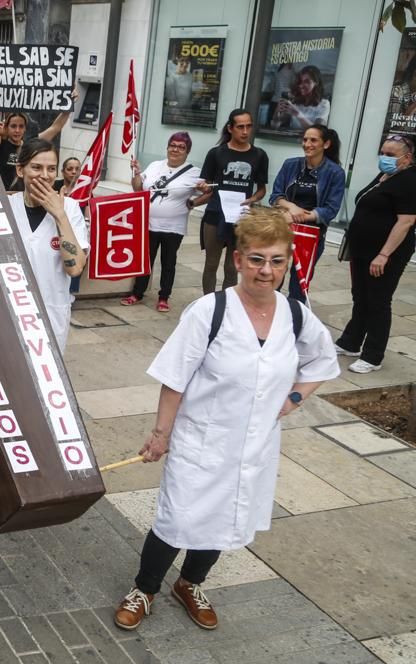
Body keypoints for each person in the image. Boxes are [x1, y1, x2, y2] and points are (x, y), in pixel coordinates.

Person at [113, 207, 338, 632]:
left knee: (226, 517)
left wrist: (293, 397)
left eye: (276, 260)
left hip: (254, 445)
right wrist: (161, 433)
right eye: (256, 259)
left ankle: (191, 583)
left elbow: (322, 362)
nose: (266, 271)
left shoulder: (295, 314)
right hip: (202, 440)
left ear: (288, 262)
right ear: (237, 260)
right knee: (176, 518)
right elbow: (174, 377)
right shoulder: (209, 311)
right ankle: (144, 589)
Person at [333, 134, 416, 374]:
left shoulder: (409, 181)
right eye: (383, 152)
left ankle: (373, 355)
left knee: (378, 301)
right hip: (362, 250)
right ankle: (351, 341)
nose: (384, 158)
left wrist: (384, 254)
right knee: (361, 296)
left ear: (407, 158)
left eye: (390, 155)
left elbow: (406, 221)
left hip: (385, 253)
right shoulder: (386, 176)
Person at [8, 138, 89, 349]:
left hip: (50, 313)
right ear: (20, 170)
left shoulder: (70, 209)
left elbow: (75, 268)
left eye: (51, 169)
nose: (45, 175)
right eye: (36, 167)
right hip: (8, 314)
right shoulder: (5, 207)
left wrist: (59, 216)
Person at [123, 133, 203, 312]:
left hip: (173, 228)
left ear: (187, 152)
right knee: (146, 261)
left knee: (168, 262)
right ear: (167, 147)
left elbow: (209, 192)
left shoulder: (194, 173)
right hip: (148, 223)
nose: (175, 149)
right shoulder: (154, 166)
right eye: (172, 145)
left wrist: (194, 202)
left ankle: (164, 297)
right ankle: (137, 293)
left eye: (181, 147)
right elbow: (137, 188)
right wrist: (136, 173)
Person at [193, 109, 269, 295]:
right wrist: (202, 187)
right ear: (230, 128)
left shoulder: (259, 155)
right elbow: (207, 185)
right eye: (240, 127)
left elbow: (261, 189)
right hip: (215, 214)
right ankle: (209, 303)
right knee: (211, 263)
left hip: (240, 217)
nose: (245, 131)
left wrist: (252, 199)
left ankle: (228, 304)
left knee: (232, 266)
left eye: (248, 126)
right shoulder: (216, 153)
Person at [269, 125, 346, 301]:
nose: (307, 144)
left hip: (311, 234)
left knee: (299, 285)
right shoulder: (290, 164)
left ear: (326, 144)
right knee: (273, 277)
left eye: (313, 140)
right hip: (282, 228)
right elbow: (275, 196)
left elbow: (330, 210)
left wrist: (299, 216)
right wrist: (290, 206)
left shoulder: (335, 173)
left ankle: (295, 322)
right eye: (305, 139)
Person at [0, 96, 73, 190]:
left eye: (21, 126)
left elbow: (55, 128)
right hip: (4, 196)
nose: (17, 130)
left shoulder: (31, 144)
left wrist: (68, 106)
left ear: (25, 128)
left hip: (24, 197)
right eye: (13, 126)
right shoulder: (0, 144)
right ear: (7, 128)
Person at [273, 65, 330, 131]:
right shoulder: (295, 101)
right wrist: (277, 110)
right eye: (300, 82)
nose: (301, 85)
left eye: (307, 81)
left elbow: (318, 131)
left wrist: (297, 114)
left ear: (316, 82)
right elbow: (275, 125)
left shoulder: (324, 104)